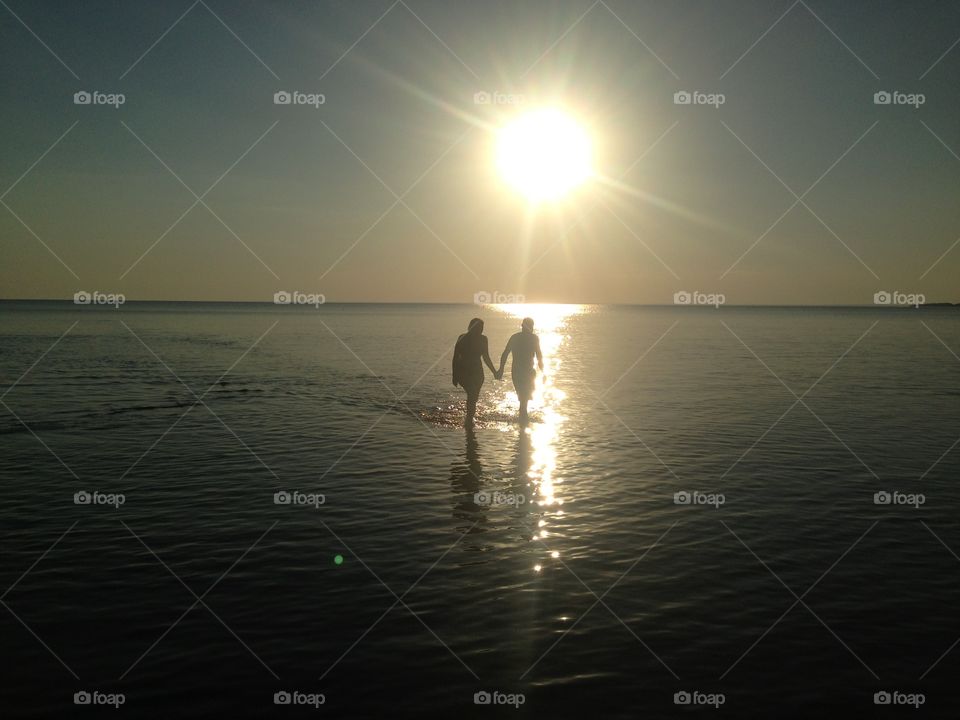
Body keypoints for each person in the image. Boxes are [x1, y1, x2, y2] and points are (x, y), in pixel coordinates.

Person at [452, 318, 498, 428]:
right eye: (478, 327)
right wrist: (454, 375)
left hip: (478, 372)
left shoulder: (483, 339)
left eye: (482, 328)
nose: (481, 330)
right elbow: (455, 357)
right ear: (471, 327)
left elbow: (486, 357)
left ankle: (469, 418)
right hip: (464, 372)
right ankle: (469, 420)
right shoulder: (462, 338)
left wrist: (494, 371)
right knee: (472, 394)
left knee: (474, 397)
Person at [497, 317, 543, 425]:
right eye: (529, 326)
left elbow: (539, 356)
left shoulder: (529, 338)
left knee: (524, 397)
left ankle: (522, 419)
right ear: (523, 326)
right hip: (520, 372)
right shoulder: (519, 338)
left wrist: (501, 370)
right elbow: (505, 353)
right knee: (523, 396)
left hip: (526, 372)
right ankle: (523, 421)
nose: (530, 328)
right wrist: (501, 370)